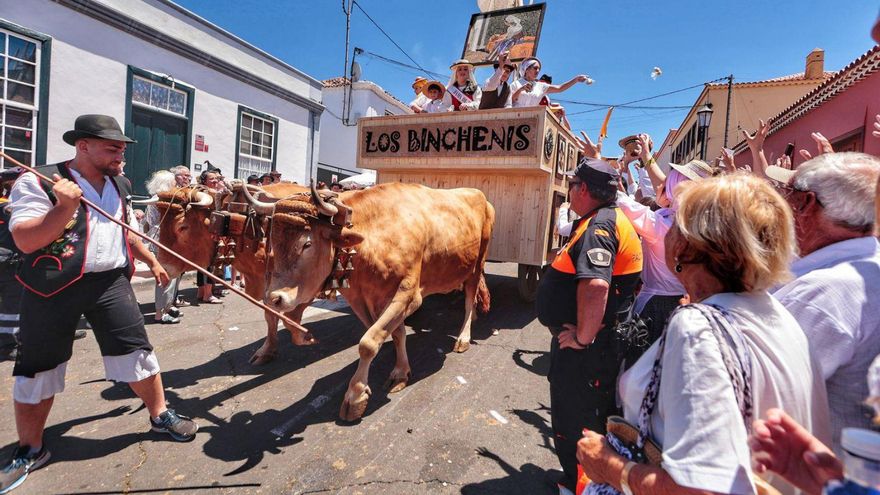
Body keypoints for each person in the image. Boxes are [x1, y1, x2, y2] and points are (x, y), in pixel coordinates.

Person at [577, 173, 830, 495]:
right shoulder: (780, 315)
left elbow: (708, 488)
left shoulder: (697, 328)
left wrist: (612, 468)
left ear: (685, 245)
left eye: (675, 223)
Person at [0, 114, 198, 494]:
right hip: (52, 284)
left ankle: (159, 414)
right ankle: (30, 448)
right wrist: (62, 207)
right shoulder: (38, 181)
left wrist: (151, 259)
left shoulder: (119, 182)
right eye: (112, 146)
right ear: (83, 146)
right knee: (39, 365)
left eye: (122, 146)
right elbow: (26, 240)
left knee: (137, 350)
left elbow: (125, 227)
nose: (120, 152)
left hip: (109, 281)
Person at [536, 157, 643, 494]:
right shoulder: (597, 219)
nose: (568, 189)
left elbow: (596, 285)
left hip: (588, 351)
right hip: (592, 345)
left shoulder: (601, 226)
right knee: (580, 413)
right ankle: (579, 479)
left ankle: (580, 483)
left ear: (583, 189)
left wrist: (583, 337)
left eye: (571, 183)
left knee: (578, 416)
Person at [768, 152, 880, 453]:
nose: (777, 203)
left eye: (785, 192)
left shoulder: (822, 294)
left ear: (805, 203)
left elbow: (763, 395)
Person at [142, 170, 182, 324]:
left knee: (172, 276)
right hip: (164, 242)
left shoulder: (160, 198)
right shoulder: (161, 199)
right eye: (173, 182)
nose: (175, 184)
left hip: (165, 241)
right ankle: (160, 313)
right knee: (165, 277)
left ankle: (168, 307)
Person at [0, 167, 24, 361]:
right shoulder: (9, 206)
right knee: (12, 306)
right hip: (8, 262)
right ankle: (9, 345)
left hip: (7, 259)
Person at [510, 57, 590, 108]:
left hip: (531, 121)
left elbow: (559, 88)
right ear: (527, 69)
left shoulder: (540, 86)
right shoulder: (516, 84)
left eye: (539, 69)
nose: (538, 71)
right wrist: (521, 89)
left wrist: (576, 79)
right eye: (535, 68)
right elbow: (509, 101)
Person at [195, 169, 223, 304]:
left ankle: (201, 292)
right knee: (209, 263)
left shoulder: (210, 192)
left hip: (211, 232)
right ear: (204, 181)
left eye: (216, 178)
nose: (215, 181)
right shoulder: (202, 193)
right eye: (211, 178)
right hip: (207, 233)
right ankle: (208, 294)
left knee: (204, 264)